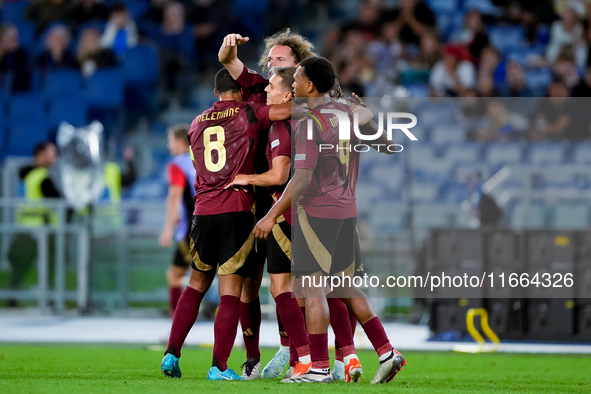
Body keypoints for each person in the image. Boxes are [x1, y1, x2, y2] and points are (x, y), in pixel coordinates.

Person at [253, 57, 405, 384]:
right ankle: (387, 352)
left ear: (310, 85)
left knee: (311, 287)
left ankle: (319, 367)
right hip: (346, 209)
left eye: (297, 79)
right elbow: (387, 144)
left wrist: (270, 215)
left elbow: (302, 179)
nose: (293, 84)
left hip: (319, 212)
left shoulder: (312, 123)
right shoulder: (345, 113)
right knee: (344, 286)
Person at [160, 68, 292, 380]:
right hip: (236, 208)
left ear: (216, 92)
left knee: (194, 286)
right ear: (240, 90)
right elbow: (288, 110)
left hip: (202, 211)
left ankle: (171, 353)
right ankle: (219, 366)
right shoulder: (249, 111)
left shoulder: (195, 122)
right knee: (231, 291)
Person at [218, 29, 318, 379]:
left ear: (298, 69)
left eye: (280, 61)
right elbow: (228, 62)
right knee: (251, 281)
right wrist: (229, 47)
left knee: (302, 286)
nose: (271, 65)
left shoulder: (304, 101)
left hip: (286, 196)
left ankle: (311, 355)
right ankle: (255, 357)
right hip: (257, 200)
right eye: (270, 60)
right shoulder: (263, 88)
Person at [8, 142, 61, 305]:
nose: (55, 157)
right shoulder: (42, 177)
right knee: (48, 267)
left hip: (23, 228)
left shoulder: (26, 175)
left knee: (20, 269)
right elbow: (59, 199)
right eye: (51, 153)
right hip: (40, 229)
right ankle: (49, 301)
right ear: (40, 155)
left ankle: (13, 302)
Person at [159, 124, 197, 318]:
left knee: (175, 275)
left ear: (180, 142)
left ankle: (177, 322)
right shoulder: (201, 160)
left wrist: (167, 229)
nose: (169, 145)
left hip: (191, 229)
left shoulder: (177, 165)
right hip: (214, 224)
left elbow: (175, 196)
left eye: (170, 140)